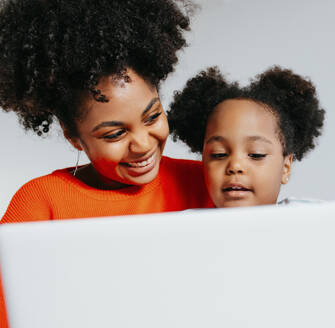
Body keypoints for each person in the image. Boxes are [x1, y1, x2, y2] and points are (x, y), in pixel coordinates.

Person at [0, 0, 213, 325]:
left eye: (153, 116)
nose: (142, 144)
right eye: (114, 134)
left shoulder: (207, 183)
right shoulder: (40, 206)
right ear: (73, 136)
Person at [167, 66, 325, 208]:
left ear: (285, 168)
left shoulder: (313, 219)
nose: (235, 166)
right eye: (219, 154)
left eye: (256, 155)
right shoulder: (183, 228)